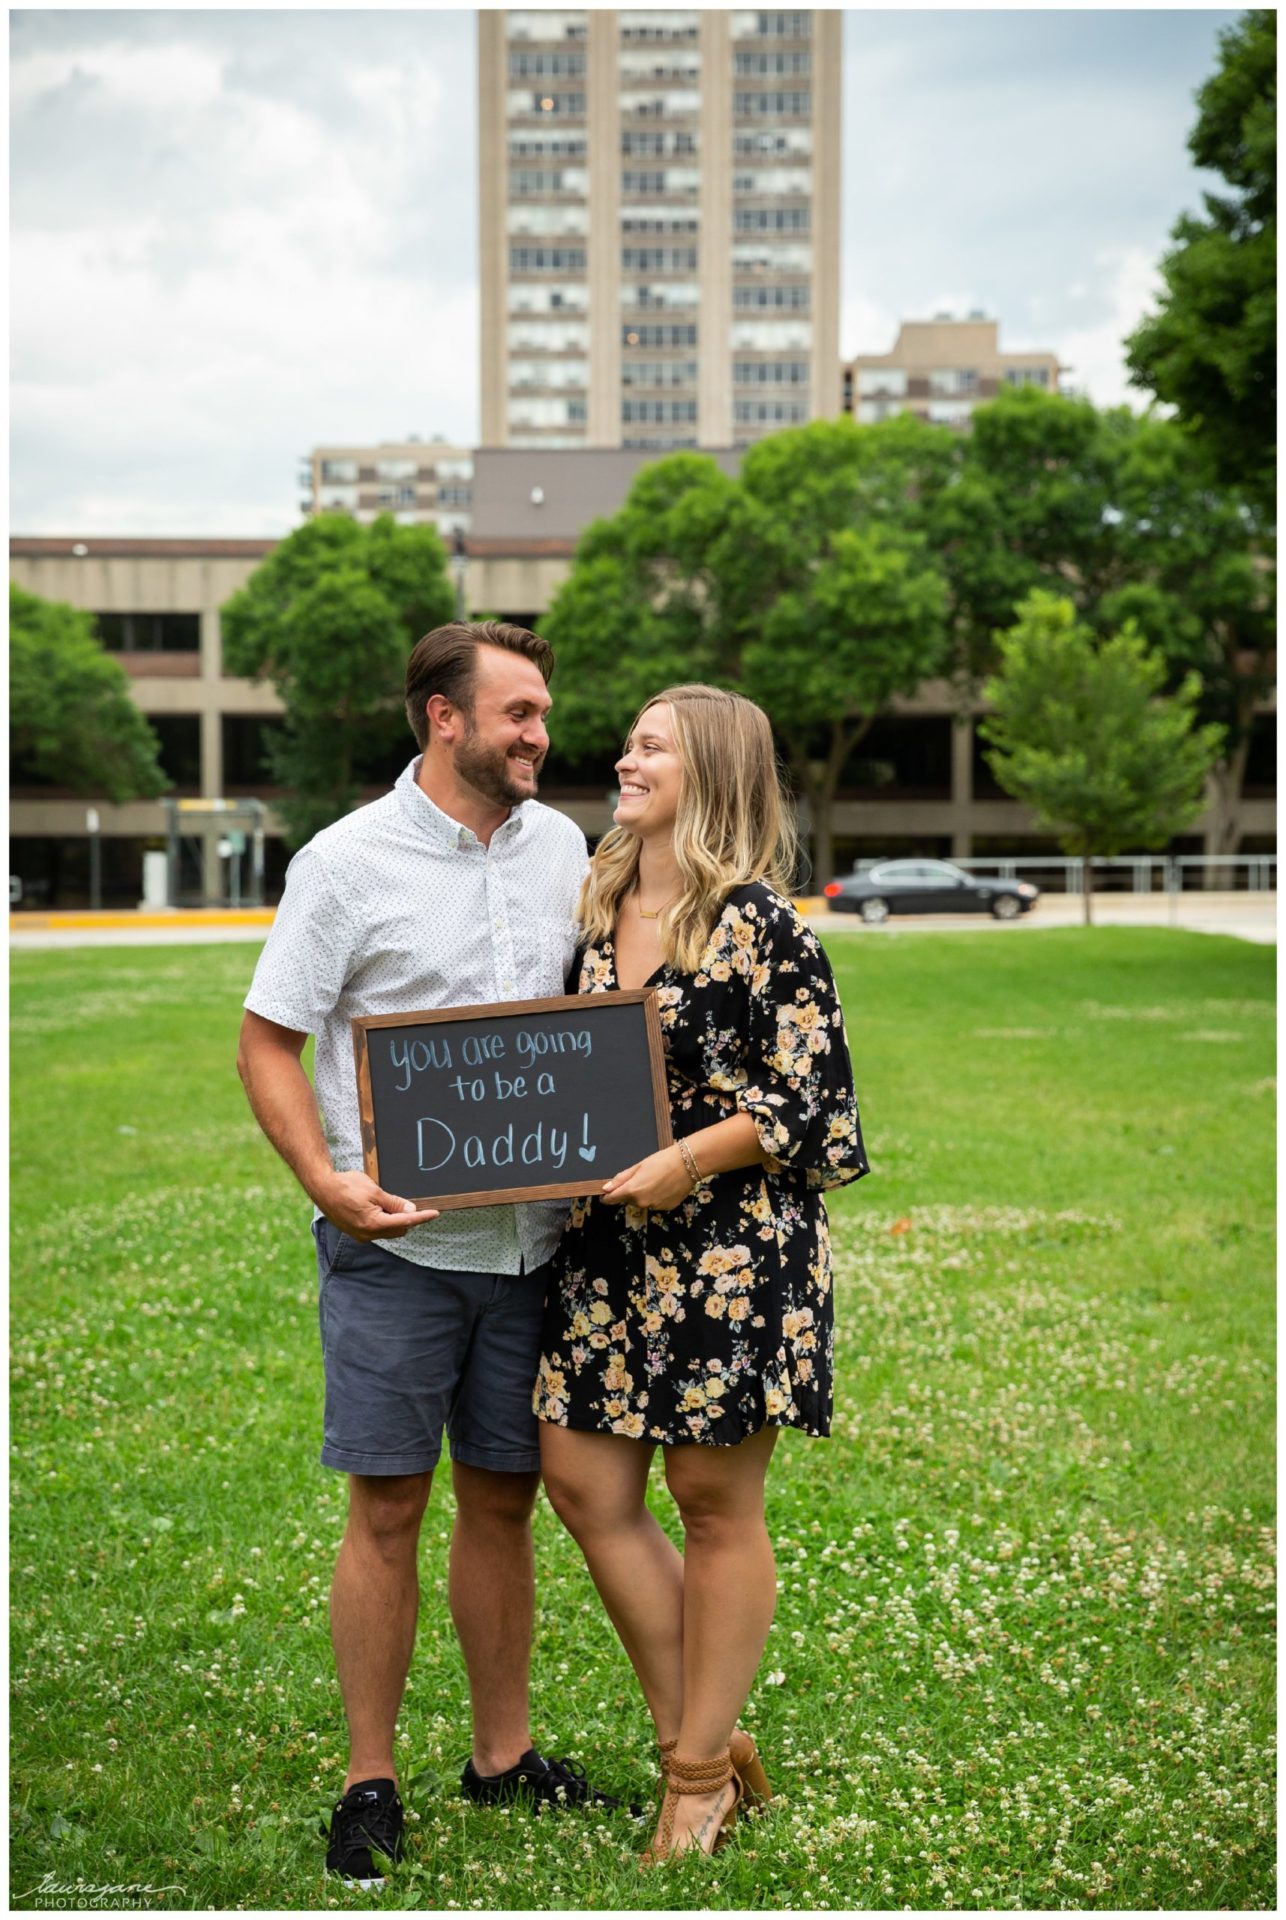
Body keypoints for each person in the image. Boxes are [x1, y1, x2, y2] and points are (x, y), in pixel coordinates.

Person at [237, 620, 627, 1890]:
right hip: (397, 1252)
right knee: (388, 1507)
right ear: (441, 717)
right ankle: (369, 1779)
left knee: (503, 1505)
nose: (540, 733)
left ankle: (500, 1758)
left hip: (534, 1245)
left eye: (544, 711)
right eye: (517, 711)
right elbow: (267, 1042)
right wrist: (327, 1185)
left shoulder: (563, 845)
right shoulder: (344, 864)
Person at [534, 683, 868, 1862]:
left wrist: (686, 1158)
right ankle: (716, 1743)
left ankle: (690, 1776)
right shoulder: (596, 898)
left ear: (712, 770)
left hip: (734, 1256)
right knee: (580, 1483)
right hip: (604, 1252)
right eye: (625, 741)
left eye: (652, 746)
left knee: (713, 1503)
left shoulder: (762, 923)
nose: (625, 757)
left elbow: (807, 1096)